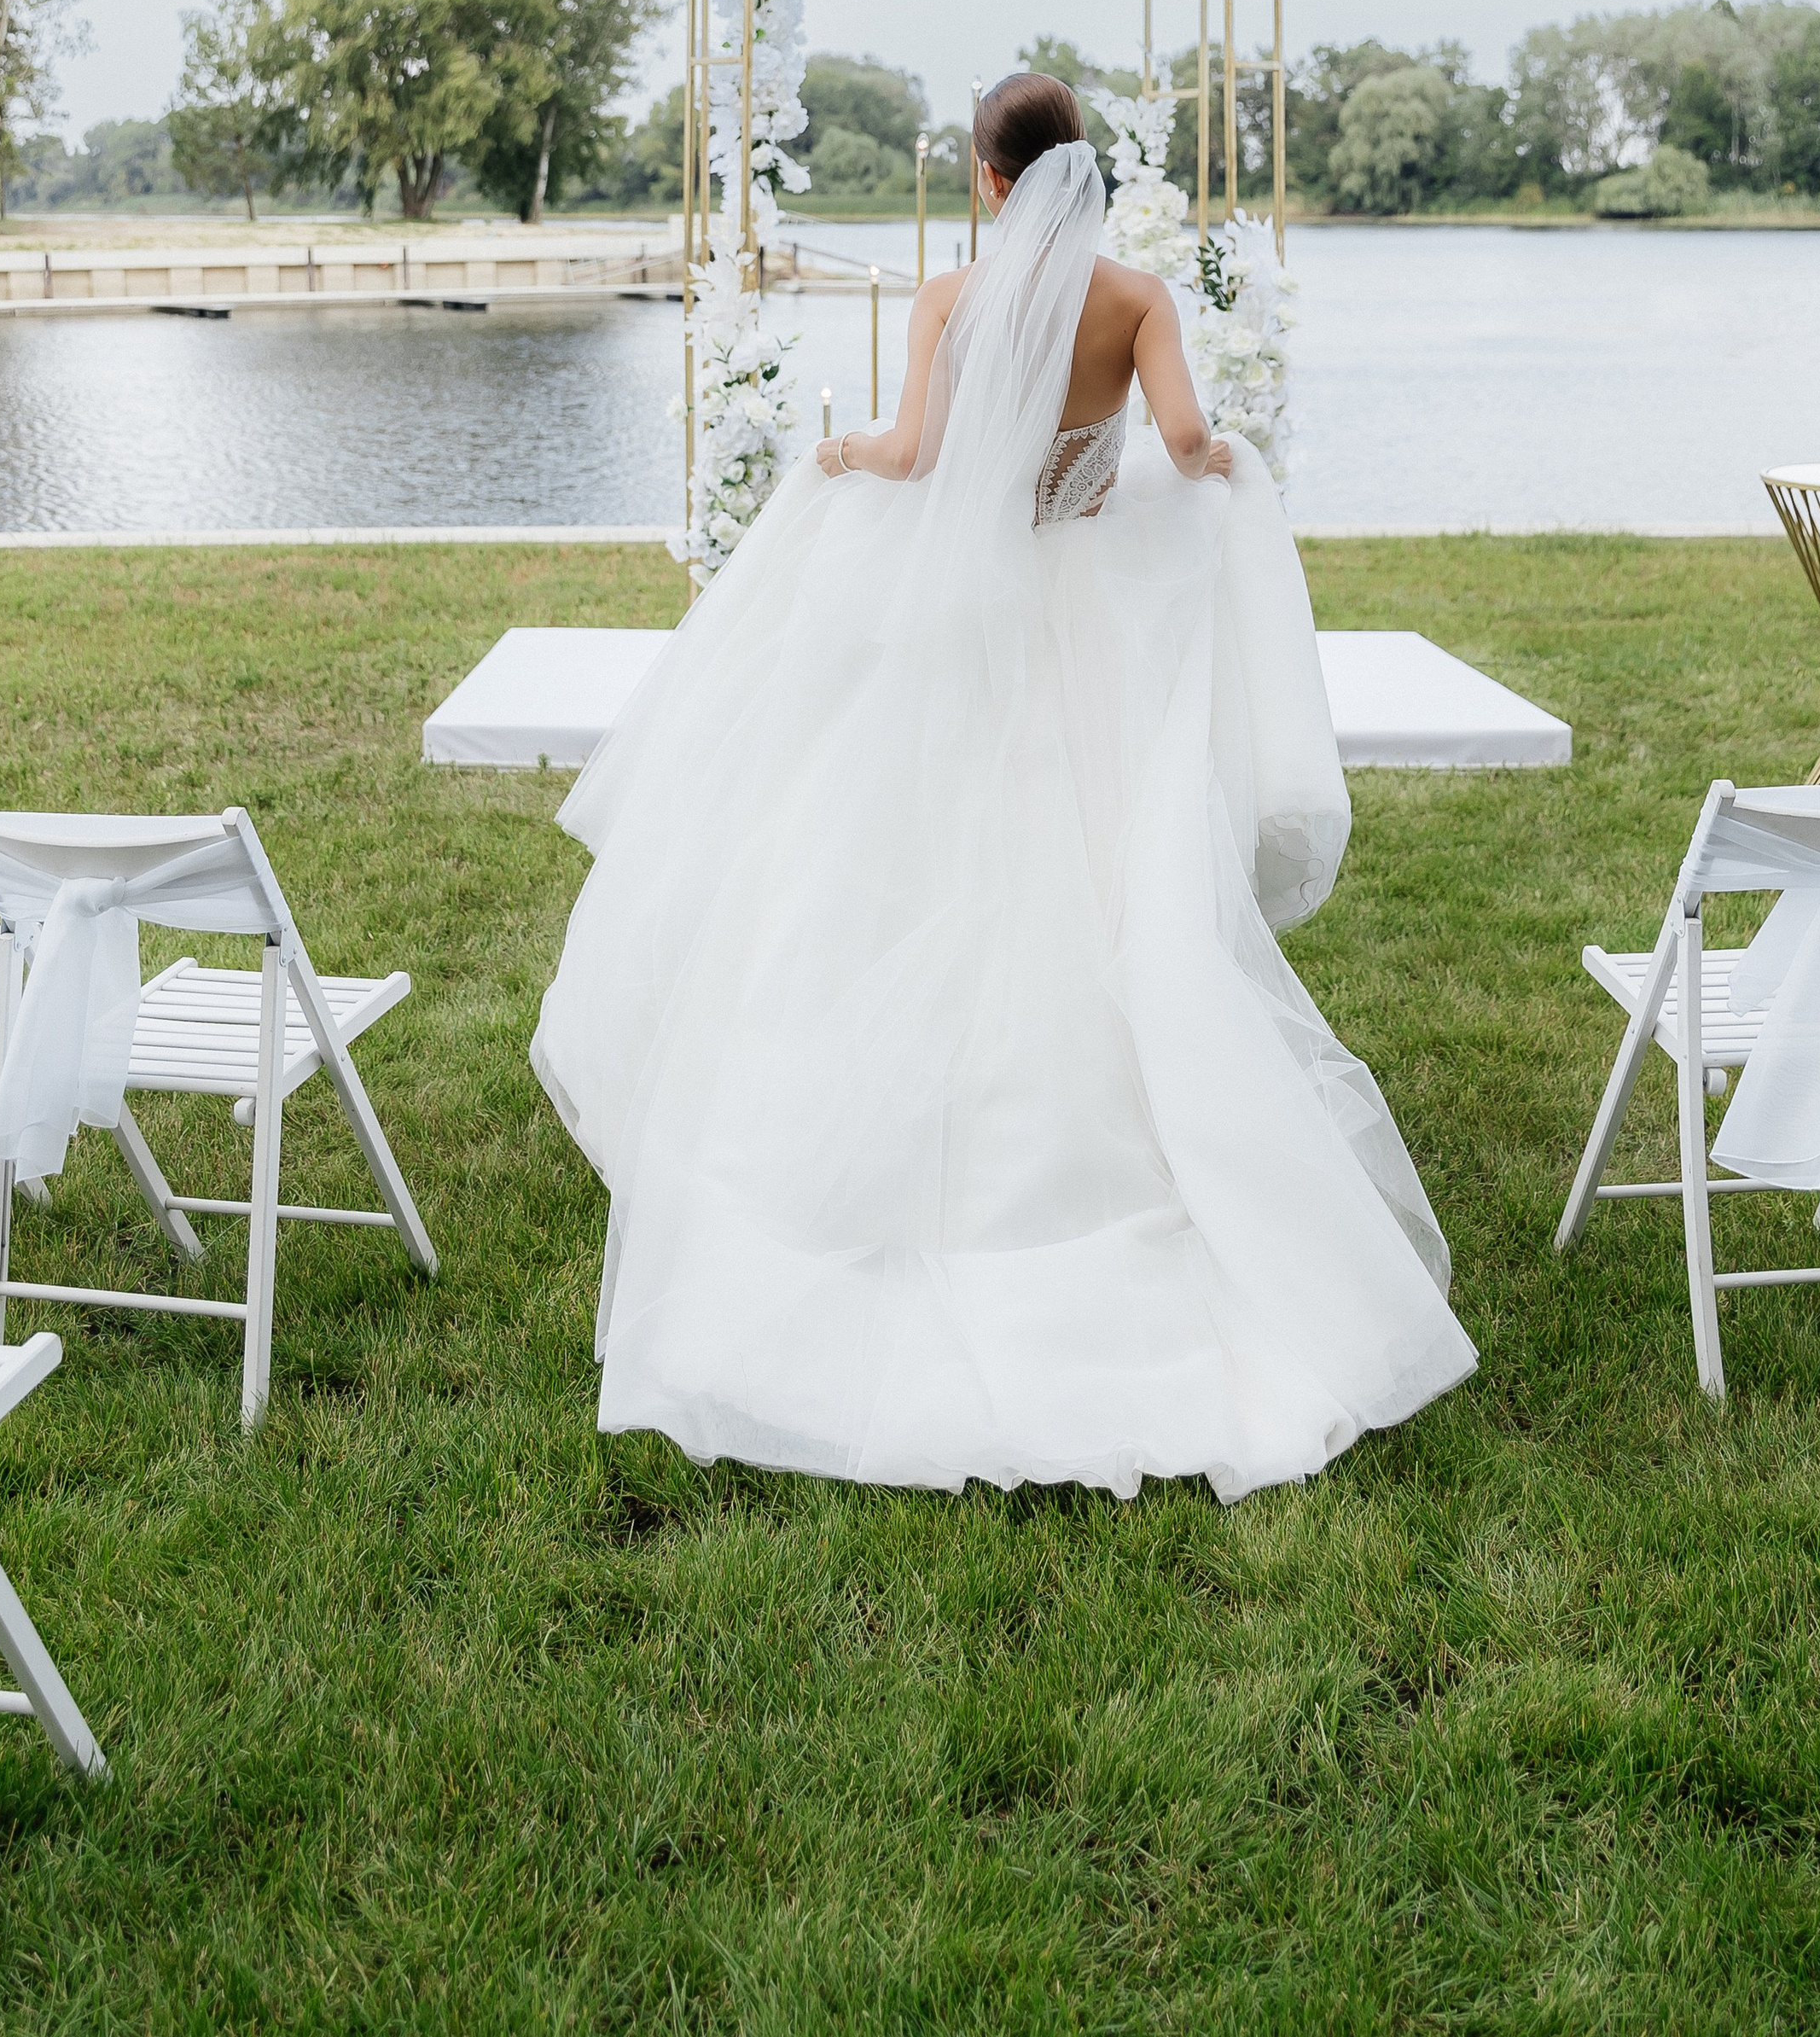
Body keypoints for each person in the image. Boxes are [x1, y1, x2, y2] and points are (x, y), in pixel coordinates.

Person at [532, 74, 1475, 1501]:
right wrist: (1227, 467)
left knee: (925, 857)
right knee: (1097, 867)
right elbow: (1182, 444)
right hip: (1087, 609)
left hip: (971, 620)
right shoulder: (1140, 298)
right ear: (1076, 173)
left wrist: (838, 454)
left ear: (988, 176)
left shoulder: (949, 301)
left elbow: (913, 457)